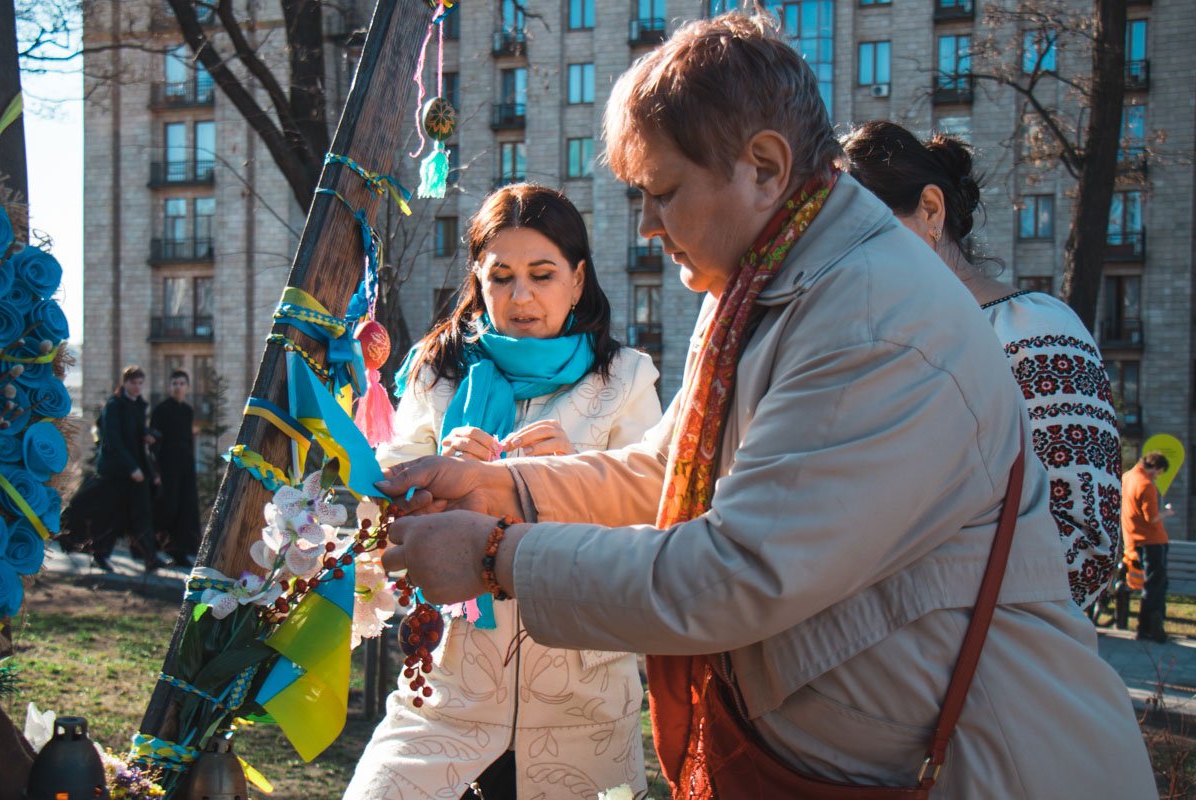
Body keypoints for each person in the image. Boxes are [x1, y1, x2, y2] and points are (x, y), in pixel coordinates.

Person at [372, 14, 1155, 798]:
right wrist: (507, 490)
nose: (646, 226)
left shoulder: (872, 317)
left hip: (986, 768)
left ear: (764, 167)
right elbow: (671, 468)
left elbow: (732, 576)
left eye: (664, 192)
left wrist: (494, 557)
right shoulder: (764, 276)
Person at [343, 184, 662, 800]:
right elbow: (378, 510)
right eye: (502, 277)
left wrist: (568, 474)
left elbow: (654, 519)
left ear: (577, 278)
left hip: (584, 708)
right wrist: (436, 478)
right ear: (478, 280)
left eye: (542, 275)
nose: (521, 297)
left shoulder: (624, 379)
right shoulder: (435, 373)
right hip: (445, 691)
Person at [842, 120, 1121, 611]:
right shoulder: (880, 344)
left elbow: (1084, 549)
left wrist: (896, 589)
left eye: (861, 235)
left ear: (931, 210)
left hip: (1000, 668)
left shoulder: (1032, 332)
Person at [59, 365, 163, 572]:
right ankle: (100, 555)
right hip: (118, 472)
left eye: (140, 383)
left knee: (142, 514)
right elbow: (113, 440)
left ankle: (150, 557)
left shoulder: (138, 405)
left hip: (138, 472)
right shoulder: (114, 406)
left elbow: (137, 433)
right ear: (124, 383)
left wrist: (152, 436)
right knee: (110, 516)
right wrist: (131, 467)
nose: (137, 387)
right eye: (133, 382)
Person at [150, 369, 201, 567]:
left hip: (185, 466)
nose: (178, 387)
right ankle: (162, 548)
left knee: (186, 508)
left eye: (182, 383)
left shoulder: (188, 411)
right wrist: (156, 470)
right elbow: (154, 441)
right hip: (167, 466)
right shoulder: (161, 409)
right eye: (175, 383)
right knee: (168, 506)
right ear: (169, 386)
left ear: (187, 387)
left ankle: (182, 551)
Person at [1122, 451, 1173, 643]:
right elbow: (1151, 518)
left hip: (1133, 540)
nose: (1157, 476)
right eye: (1159, 472)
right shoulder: (1146, 485)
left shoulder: (1127, 478)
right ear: (1157, 467)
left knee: (1151, 583)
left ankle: (1145, 626)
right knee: (1156, 584)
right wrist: (1166, 513)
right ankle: (1149, 625)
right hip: (1152, 541)